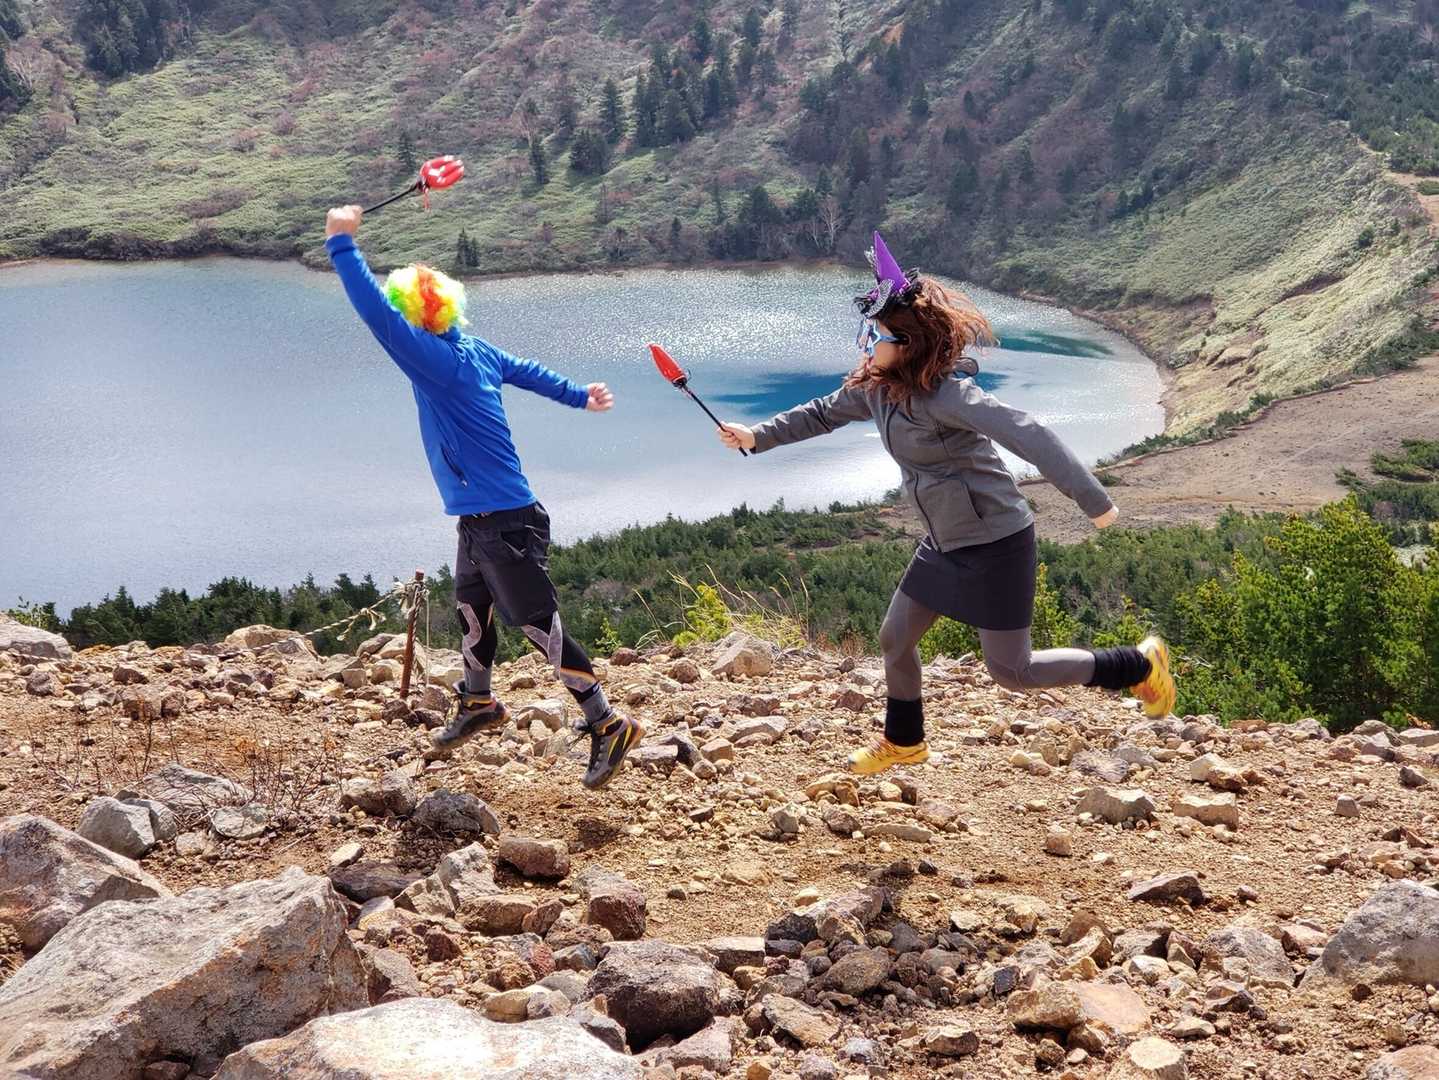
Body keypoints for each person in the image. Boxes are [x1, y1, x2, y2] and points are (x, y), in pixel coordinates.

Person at [716, 232, 1176, 775]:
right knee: (895, 638)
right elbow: (820, 413)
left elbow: (1028, 433)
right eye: (868, 332)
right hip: (944, 541)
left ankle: (1137, 666)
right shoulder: (877, 388)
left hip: (997, 542)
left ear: (908, 343)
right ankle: (904, 741)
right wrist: (757, 435)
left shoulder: (950, 396)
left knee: (1012, 671)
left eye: (876, 335)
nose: (867, 343)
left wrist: (1092, 499)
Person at [324, 205, 642, 789]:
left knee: (538, 624)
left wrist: (342, 244)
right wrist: (579, 395)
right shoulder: (473, 349)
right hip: (481, 519)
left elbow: (375, 316)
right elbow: (526, 370)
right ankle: (478, 703)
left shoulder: (436, 362)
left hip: (505, 521)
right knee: (472, 608)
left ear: (412, 315)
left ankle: (607, 721)